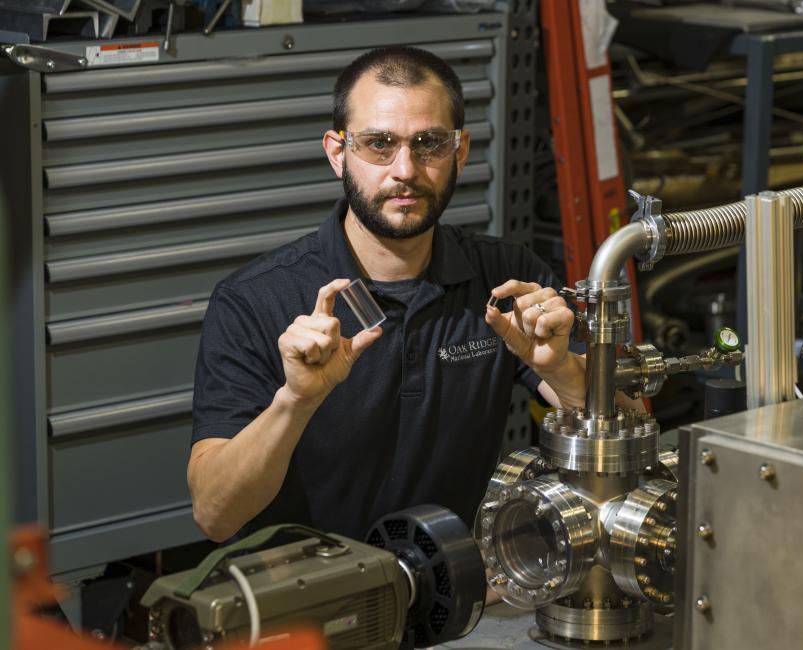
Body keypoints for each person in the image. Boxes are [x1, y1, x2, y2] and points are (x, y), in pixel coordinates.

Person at [187, 45, 642, 543]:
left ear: (460, 151)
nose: (405, 169)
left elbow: (633, 435)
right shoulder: (256, 300)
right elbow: (215, 515)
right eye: (379, 144)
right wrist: (294, 401)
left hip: (449, 597)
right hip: (306, 605)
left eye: (428, 143)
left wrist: (558, 368)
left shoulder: (506, 279)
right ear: (338, 154)